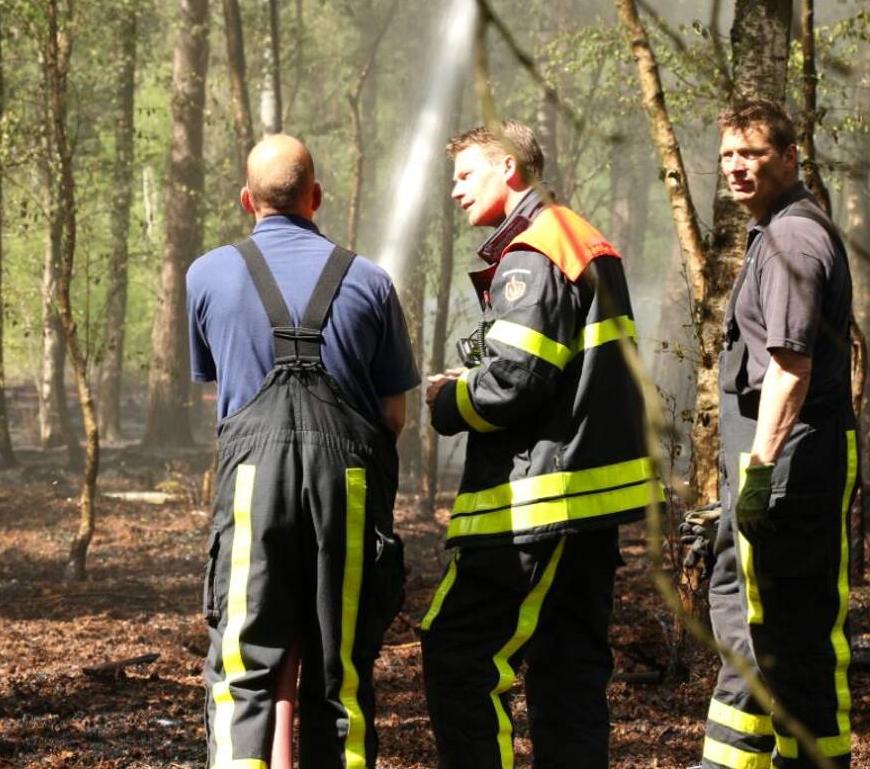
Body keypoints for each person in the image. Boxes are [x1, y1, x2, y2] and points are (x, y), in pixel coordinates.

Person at [420, 120, 660, 769]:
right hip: (583, 504)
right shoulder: (579, 238)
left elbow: (515, 382)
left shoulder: (536, 249)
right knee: (568, 671)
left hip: (539, 506)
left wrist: (448, 399)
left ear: (509, 171)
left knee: (459, 651)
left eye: (466, 175)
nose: (454, 191)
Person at [189, 133, 419, 768]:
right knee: (338, 670)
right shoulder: (371, 281)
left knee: (242, 668)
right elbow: (394, 414)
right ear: (316, 197)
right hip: (345, 489)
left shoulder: (207, 274)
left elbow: (220, 390)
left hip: (249, 490)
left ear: (246, 201)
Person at [699, 100, 856, 769]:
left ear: (789, 158)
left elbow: (790, 368)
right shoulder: (776, 231)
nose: (738, 167)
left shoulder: (793, 239)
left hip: (792, 468)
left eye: (753, 154)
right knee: (759, 632)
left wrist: (758, 475)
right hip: (781, 465)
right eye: (729, 155)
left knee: (780, 636)